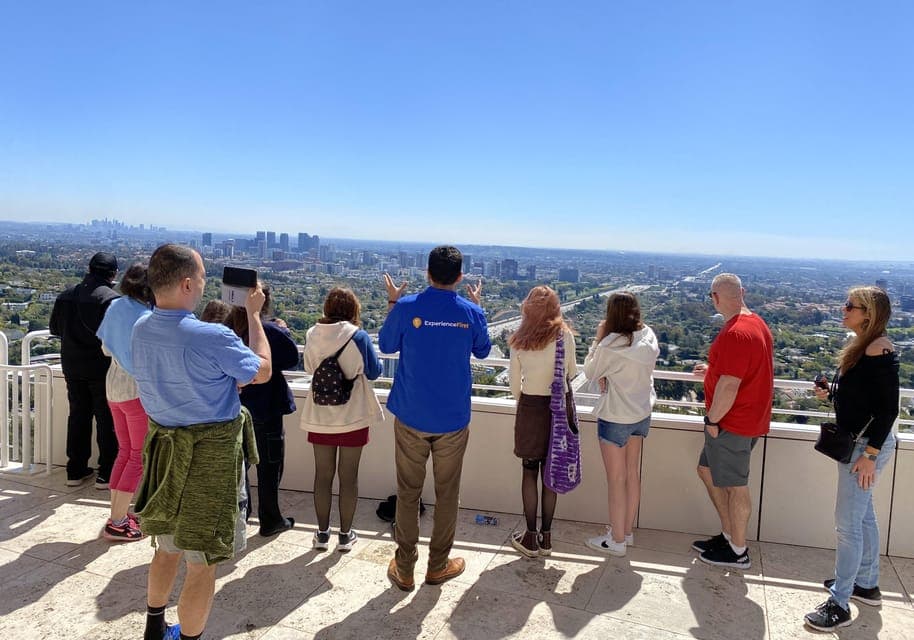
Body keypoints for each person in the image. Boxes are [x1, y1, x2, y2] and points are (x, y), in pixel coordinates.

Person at [130, 244, 271, 640]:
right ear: (188, 284)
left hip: (163, 452)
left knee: (166, 547)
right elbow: (261, 371)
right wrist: (254, 316)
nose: (205, 285)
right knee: (202, 561)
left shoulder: (140, 328)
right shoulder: (210, 336)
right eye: (203, 278)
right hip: (209, 460)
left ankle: (154, 627)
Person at [379, 245, 491, 591]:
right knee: (447, 494)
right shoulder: (471, 312)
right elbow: (483, 350)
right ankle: (438, 565)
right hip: (452, 420)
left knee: (408, 493)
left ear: (427, 273)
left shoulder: (407, 306)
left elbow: (386, 346)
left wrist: (393, 301)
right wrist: (477, 307)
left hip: (411, 415)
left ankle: (405, 568)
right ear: (460, 277)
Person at [803, 286, 899, 632]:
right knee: (863, 516)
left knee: (847, 525)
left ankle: (839, 603)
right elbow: (863, 399)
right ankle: (866, 585)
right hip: (862, 445)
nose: (843, 310)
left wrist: (871, 455)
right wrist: (830, 392)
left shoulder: (879, 348)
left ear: (869, 313)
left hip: (866, 448)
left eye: (850, 306)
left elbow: (888, 409)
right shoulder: (863, 346)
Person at [691, 273, 773, 570]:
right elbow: (739, 370)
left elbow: (729, 386)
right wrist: (712, 371)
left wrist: (712, 420)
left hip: (732, 422)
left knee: (736, 486)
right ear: (743, 292)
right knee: (706, 470)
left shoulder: (736, 332)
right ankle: (729, 535)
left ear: (714, 298)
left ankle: (738, 550)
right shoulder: (757, 324)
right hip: (748, 418)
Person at [300, 287, 383, 552]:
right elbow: (374, 372)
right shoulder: (358, 336)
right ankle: (345, 535)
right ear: (353, 310)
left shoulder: (312, 334)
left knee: (322, 475)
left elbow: (308, 368)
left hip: (320, 413)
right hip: (353, 414)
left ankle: (322, 534)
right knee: (349, 477)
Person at [583, 291, 659, 557]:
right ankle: (626, 532)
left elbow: (590, 371)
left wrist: (598, 339)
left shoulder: (610, 345)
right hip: (641, 413)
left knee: (616, 480)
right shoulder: (648, 336)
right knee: (632, 473)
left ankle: (616, 541)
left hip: (616, 415)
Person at [507, 285, 576, 558]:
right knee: (551, 472)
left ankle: (530, 537)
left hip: (530, 407)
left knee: (529, 471)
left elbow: (514, 385)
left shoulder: (519, 339)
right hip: (557, 409)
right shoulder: (564, 336)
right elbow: (571, 372)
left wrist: (526, 401)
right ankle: (547, 538)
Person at [225, 285, 299, 538]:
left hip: (236, 407)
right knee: (270, 466)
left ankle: (242, 515)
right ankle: (271, 518)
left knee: (240, 465)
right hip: (267, 408)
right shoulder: (268, 331)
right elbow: (291, 358)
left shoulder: (227, 330)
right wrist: (283, 330)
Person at [49, 251, 120, 488]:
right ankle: (106, 472)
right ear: (113, 274)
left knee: (78, 416)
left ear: (89, 270)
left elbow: (55, 329)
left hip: (72, 365)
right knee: (106, 419)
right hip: (102, 368)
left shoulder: (66, 295)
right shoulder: (111, 300)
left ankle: (75, 470)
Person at [95, 264, 154, 542]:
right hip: (135, 390)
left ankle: (117, 514)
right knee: (137, 457)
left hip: (113, 386)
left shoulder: (116, 306)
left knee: (125, 452)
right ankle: (117, 522)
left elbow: (106, 348)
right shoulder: (146, 317)